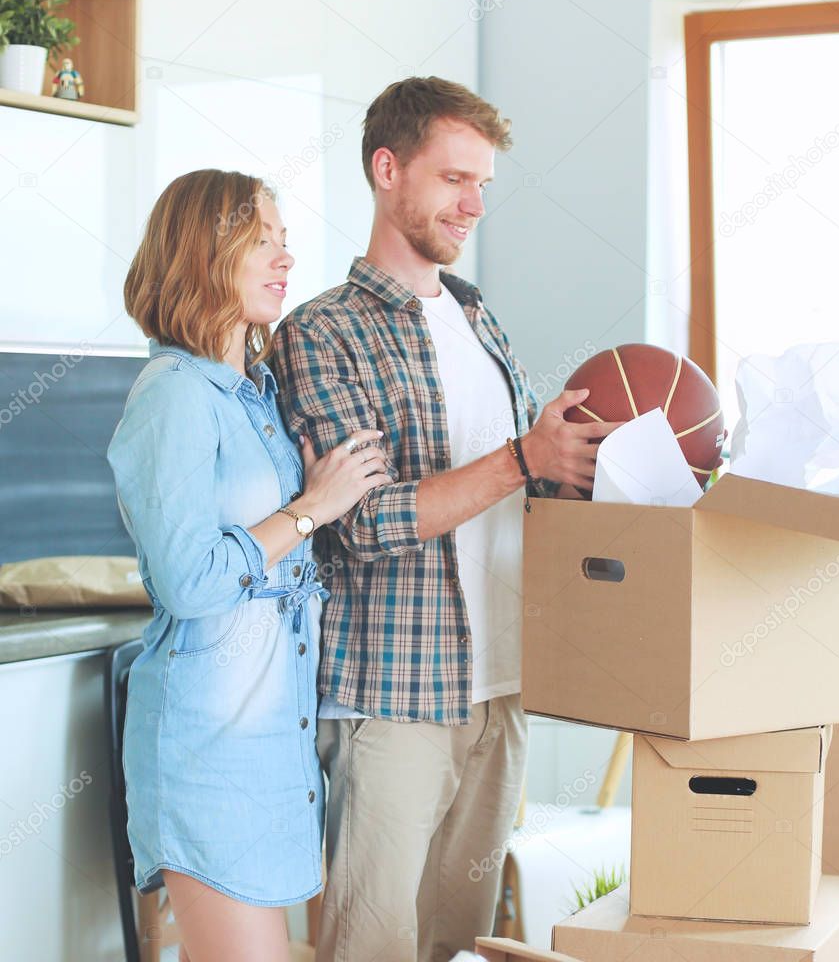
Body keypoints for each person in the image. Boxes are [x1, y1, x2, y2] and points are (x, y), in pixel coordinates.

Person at [272, 77, 619, 962]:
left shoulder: (476, 317)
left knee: (459, 945)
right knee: (374, 944)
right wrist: (522, 460)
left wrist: (588, 466)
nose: (473, 204)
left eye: (484, 186)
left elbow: (525, 488)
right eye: (454, 179)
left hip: (499, 690)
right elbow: (362, 522)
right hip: (394, 698)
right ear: (387, 170)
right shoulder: (322, 332)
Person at [108, 168, 389, 962]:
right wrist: (311, 507)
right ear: (203, 255)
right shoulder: (173, 396)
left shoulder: (251, 394)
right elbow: (188, 581)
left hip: (270, 740)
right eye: (260, 241)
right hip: (210, 750)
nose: (284, 258)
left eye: (284, 241)